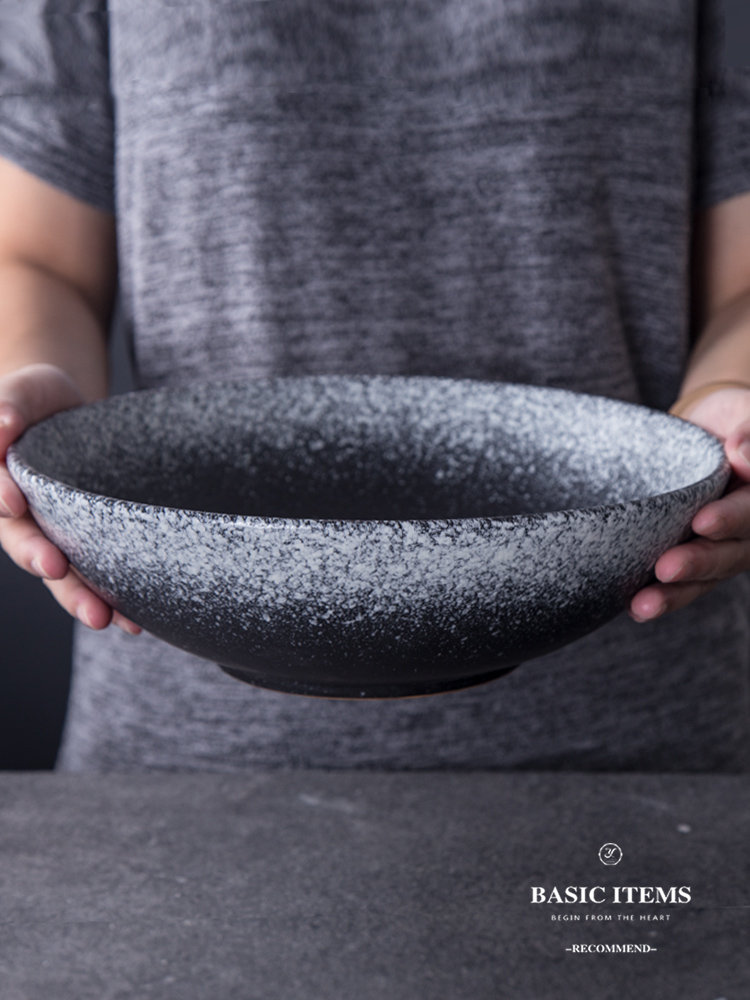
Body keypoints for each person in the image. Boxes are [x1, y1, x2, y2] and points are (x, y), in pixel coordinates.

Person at [1, 0, 749, 771]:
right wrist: (31, 395)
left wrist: (733, 394)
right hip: (185, 750)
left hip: (638, 728)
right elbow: (40, 257)